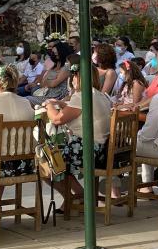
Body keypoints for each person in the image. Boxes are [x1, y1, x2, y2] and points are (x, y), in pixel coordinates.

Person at [45, 66, 115, 204]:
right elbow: (78, 110)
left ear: (78, 78)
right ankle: (76, 197)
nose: (72, 79)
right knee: (56, 155)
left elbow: (57, 119)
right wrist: (60, 103)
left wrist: (48, 105)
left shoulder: (81, 96)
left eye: (74, 75)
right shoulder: (101, 95)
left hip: (87, 150)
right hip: (102, 150)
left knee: (45, 161)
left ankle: (77, 195)